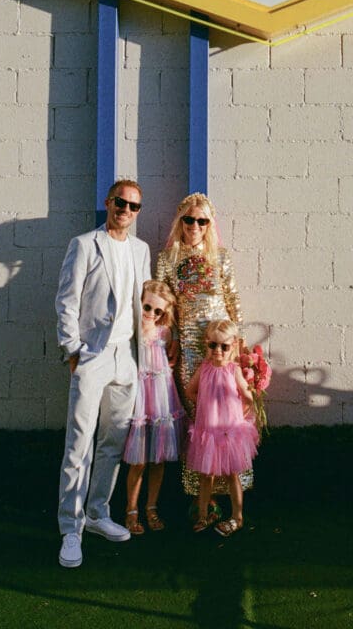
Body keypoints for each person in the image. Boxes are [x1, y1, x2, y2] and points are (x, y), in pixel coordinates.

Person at [55, 179, 150, 569]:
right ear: (108, 203)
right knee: (79, 443)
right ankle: (70, 529)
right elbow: (66, 300)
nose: (126, 210)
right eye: (121, 203)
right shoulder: (84, 244)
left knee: (114, 442)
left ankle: (97, 513)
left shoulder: (142, 250)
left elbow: (143, 302)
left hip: (127, 358)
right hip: (92, 356)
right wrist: (73, 352)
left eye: (134, 206)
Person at [155, 193, 249, 502]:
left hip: (222, 345)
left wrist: (240, 341)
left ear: (209, 224)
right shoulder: (167, 259)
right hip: (191, 347)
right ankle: (199, 495)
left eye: (202, 221)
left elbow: (232, 299)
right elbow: (163, 306)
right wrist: (171, 340)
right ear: (180, 221)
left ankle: (230, 490)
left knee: (227, 411)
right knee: (199, 416)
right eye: (189, 219)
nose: (195, 225)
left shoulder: (219, 255)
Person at [123, 280, 185, 535]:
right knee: (138, 461)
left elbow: (171, 349)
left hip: (161, 400)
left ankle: (152, 506)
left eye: (157, 311)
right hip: (140, 398)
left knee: (158, 458)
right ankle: (131, 509)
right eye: (147, 307)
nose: (150, 314)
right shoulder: (132, 329)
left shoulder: (164, 333)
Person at [186, 319, 259, 537]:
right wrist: (204, 406)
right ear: (207, 344)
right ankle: (203, 514)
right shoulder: (204, 368)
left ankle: (237, 516)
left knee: (231, 474)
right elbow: (190, 391)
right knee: (205, 476)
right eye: (213, 345)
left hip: (228, 432)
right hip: (208, 431)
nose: (218, 350)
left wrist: (243, 412)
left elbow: (248, 396)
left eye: (224, 346)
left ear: (233, 345)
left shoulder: (233, 370)